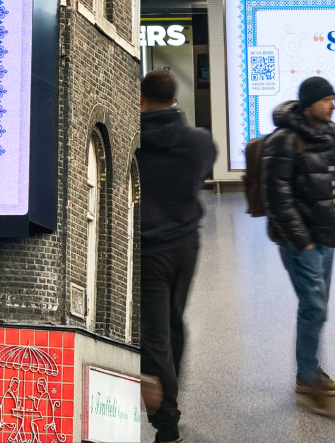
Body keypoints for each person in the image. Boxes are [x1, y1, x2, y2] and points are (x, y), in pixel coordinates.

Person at [263, 76, 335, 416]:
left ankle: (308, 370)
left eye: (333, 99)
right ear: (309, 103)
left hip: (326, 237)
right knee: (315, 306)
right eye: (327, 99)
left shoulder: (326, 136)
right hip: (302, 242)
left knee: (316, 307)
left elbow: (329, 185)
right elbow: (277, 198)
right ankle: (309, 376)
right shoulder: (285, 140)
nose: (333, 105)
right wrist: (304, 240)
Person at [140, 71, 217, 443]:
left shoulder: (133, 141)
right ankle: (171, 384)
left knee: (154, 335)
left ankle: (167, 424)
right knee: (174, 321)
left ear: (140, 98)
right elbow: (201, 174)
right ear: (174, 98)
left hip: (149, 251)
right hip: (187, 245)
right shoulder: (199, 141)